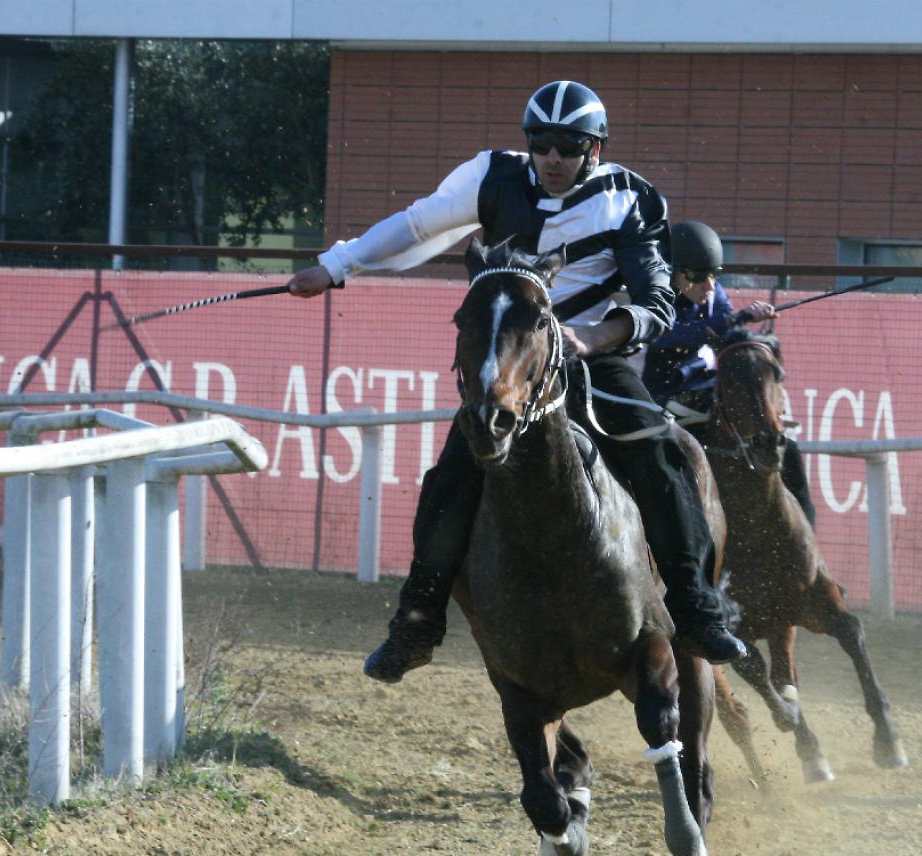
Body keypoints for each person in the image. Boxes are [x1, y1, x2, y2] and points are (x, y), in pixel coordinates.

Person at [288, 81, 747, 682]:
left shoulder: (632, 199)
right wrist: (334, 266)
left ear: (595, 149)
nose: (552, 158)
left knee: (660, 452)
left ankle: (695, 607)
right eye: (541, 143)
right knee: (451, 476)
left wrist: (594, 338)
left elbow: (656, 303)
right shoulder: (491, 175)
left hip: (590, 356)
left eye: (569, 146)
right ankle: (416, 624)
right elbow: (417, 225)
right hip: (510, 361)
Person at [642, 220, 816, 527]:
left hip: (709, 390)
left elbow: (728, 330)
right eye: (698, 276)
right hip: (664, 396)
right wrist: (735, 318)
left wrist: (748, 323)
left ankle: (806, 533)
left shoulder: (713, 292)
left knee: (785, 444)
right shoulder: (653, 296)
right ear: (673, 272)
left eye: (714, 274)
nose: (709, 285)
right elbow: (665, 334)